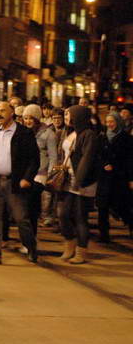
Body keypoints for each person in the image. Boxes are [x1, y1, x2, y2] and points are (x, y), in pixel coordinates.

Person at [0, 101, 40, 265]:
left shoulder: (24, 133)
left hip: (15, 183)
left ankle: (31, 247)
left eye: (2, 111)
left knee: (21, 218)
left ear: (11, 113)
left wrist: (27, 178)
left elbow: (34, 159)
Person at [57, 106, 100, 264]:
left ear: (79, 116)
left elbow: (87, 159)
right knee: (63, 214)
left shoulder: (89, 135)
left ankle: (81, 251)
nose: (66, 117)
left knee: (80, 217)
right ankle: (70, 244)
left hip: (83, 182)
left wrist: (79, 181)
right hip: (68, 180)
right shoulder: (71, 132)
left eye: (69, 114)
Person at [96, 112, 133, 242]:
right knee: (102, 207)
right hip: (104, 178)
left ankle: (131, 224)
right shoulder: (102, 137)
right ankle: (103, 234)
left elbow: (129, 160)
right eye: (107, 122)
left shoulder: (126, 138)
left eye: (112, 121)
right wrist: (104, 164)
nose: (109, 124)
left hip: (119, 178)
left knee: (121, 206)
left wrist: (130, 178)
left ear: (118, 122)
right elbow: (98, 155)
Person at [23, 104, 57, 239]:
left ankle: (31, 238)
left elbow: (53, 157)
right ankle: (29, 237)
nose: (28, 121)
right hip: (26, 173)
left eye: (30, 118)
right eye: (25, 118)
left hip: (41, 174)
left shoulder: (48, 134)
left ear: (37, 118)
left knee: (31, 204)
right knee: (26, 207)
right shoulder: (24, 132)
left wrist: (50, 176)